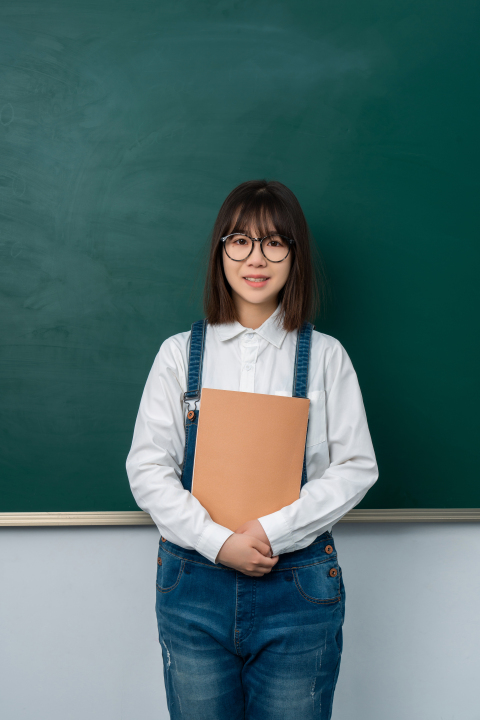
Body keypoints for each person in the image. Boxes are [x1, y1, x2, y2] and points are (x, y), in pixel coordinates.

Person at [126, 179, 379, 720]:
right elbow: (148, 468)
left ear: (295, 254)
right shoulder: (179, 355)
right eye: (239, 241)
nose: (255, 258)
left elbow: (356, 466)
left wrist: (269, 533)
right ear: (221, 251)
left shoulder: (327, 357)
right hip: (194, 586)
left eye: (274, 243)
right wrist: (218, 543)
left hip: (299, 587)